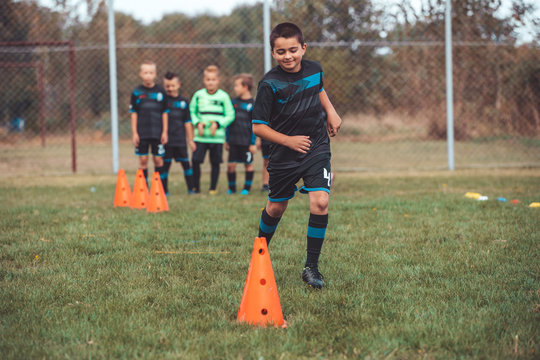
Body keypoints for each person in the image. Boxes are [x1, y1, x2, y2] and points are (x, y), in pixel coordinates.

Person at [252, 23, 342, 289]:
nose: (288, 56)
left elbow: (319, 89)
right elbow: (258, 127)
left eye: (293, 50)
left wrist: (331, 112)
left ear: (303, 48)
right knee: (276, 207)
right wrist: (288, 141)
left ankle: (312, 268)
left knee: (321, 202)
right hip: (283, 153)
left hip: (316, 146)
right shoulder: (269, 84)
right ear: (273, 53)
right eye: (281, 52)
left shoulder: (315, 69)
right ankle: (260, 255)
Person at [189, 65, 235, 194]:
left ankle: (212, 188)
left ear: (218, 80)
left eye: (213, 79)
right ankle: (196, 187)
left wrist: (218, 123)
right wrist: (197, 123)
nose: (210, 82)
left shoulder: (223, 96)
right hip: (200, 137)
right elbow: (192, 112)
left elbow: (230, 115)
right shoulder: (198, 95)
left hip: (217, 138)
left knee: (215, 163)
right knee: (196, 161)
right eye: (208, 79)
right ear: (204, 80)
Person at [130, 60, 168, 183]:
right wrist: (135, 133)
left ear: (155, 74)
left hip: (157, 132)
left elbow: (165, 113)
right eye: (145, 72)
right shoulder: (136, 92)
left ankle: (161, 189)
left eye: (151, 72)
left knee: (158, 160)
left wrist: (165, 132)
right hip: (142, 132)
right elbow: (134, 113)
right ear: (141, 74)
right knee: (143, 160)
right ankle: (144, 190)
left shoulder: (161, 92)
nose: (148, 75)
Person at [162, 71, 196, 195]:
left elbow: (187, 122)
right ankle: (164, 190)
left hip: (180, 140)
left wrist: (190, 139)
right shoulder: (163, 100)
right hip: (166, 140)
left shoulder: (184, 101)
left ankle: (191, 189)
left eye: (172, 85)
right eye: (167, 86)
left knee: (186, 164)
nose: (170, 88)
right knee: (165, 166)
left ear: (179, 85)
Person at [226, 73, 257, 195]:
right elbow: (228, 122)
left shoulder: (253, 104)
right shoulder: (232, 103)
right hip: (233, 140)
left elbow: (255, 126)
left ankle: (246, 189)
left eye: (236, 86)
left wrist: (253, 143)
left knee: (248, 165)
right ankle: (232, 189)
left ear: (245, 87)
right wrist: (226, 140)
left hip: (246, 142)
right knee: (231, 166)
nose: (235, 88)